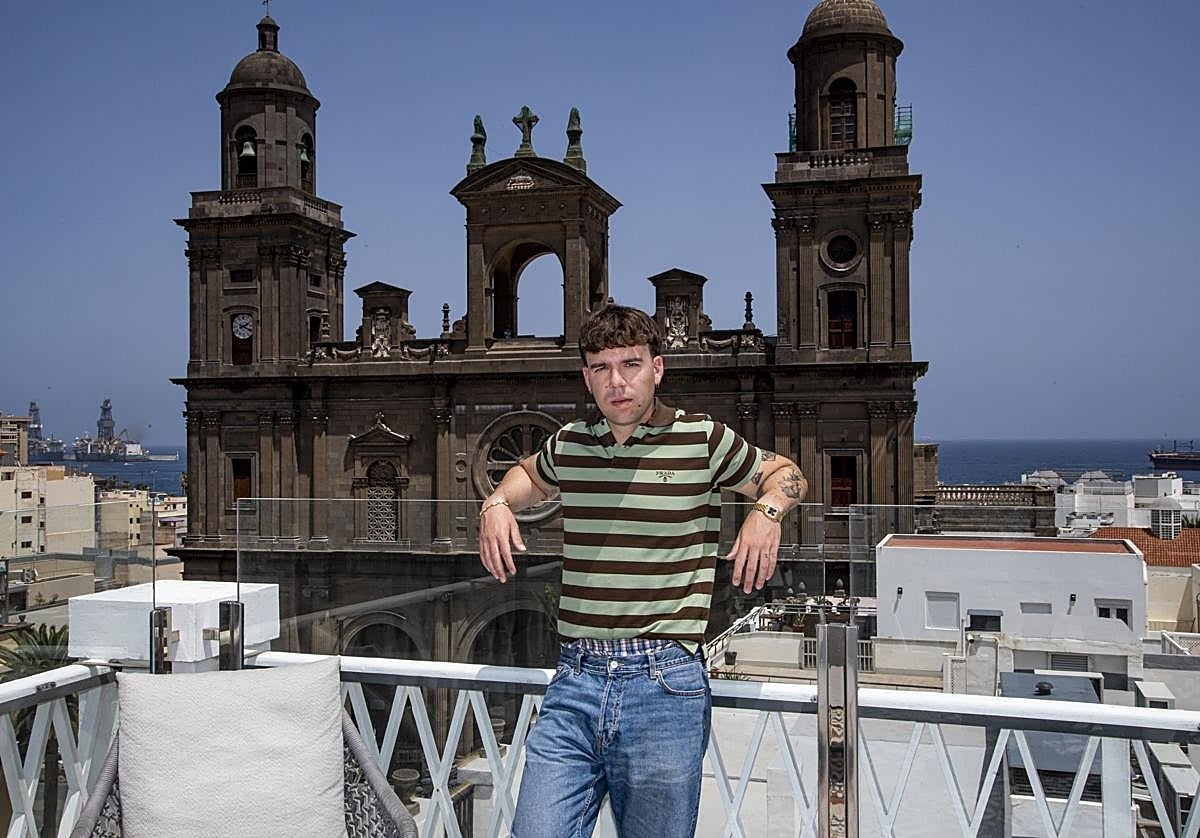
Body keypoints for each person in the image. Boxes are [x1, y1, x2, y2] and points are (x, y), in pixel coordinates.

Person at [478, 304, 807, 837]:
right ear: (587, 377)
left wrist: (766, 514)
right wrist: (495, 503)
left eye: (630, 365)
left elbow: (786, 473)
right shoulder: (572, 443)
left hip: (664, 686)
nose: (617, 382)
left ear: (657, 368)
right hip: (575, 681)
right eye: (602, 369)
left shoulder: (702, 439)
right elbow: (528, 475)